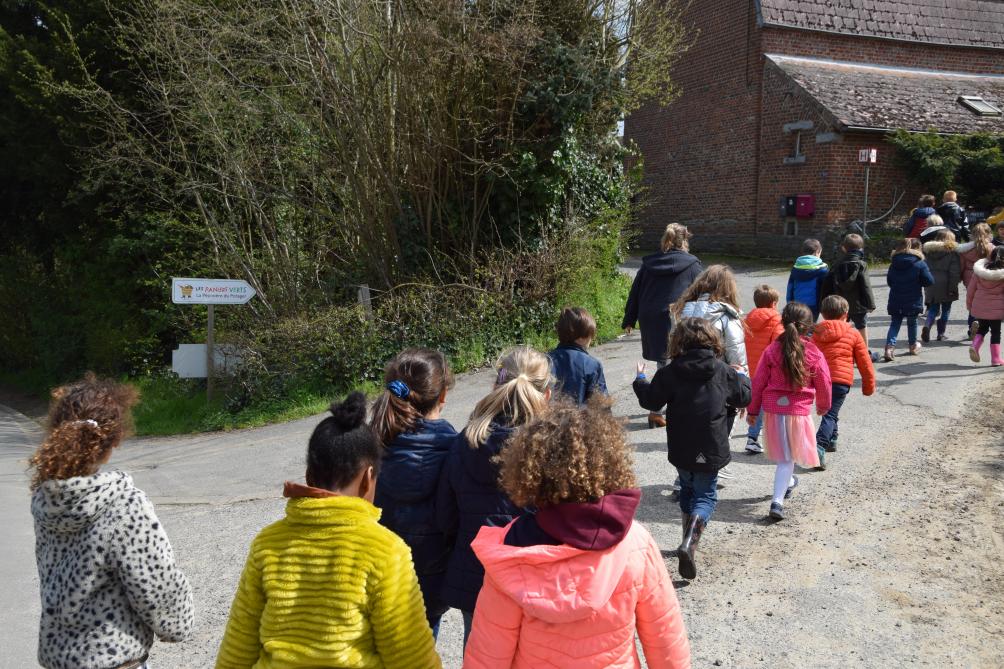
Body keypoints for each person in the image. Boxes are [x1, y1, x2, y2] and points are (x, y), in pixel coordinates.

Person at [216, 393, 441, 669]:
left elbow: (239, 644)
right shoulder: (385, 551)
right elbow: (411, 656)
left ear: (310, 476)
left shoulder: (267, 543)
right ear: (369, 480)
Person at [464, 398, 691, 669]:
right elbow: (665, 638)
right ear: (610, 465)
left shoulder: (511, 553)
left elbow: (487, 656)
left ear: (532, 472)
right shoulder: (635, 543)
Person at [30, 375, 193, 669]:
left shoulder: (48, 500)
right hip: (115, 661)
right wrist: (178, 621)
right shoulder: (123, 503)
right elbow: (154, 586)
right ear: (114, 438)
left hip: (61, 661)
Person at [436, 346, 551, 646]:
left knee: (478, 653)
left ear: (496, 386)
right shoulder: (550, 445)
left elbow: (445, 515)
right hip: (534, 572)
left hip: (475, 572)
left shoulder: (465, 440)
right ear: (547, 394)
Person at [632, 318, 751, 579]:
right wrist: (741, 374)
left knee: (687, 489)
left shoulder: (671, 371)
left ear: (678, 342)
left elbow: (651, 399)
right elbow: (743, 397)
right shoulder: (722, 370)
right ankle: (690, 544)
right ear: (713, 341)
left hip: (681, 446)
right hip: (711, 445)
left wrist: (640, 378)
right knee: (706, 495)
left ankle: (687, 541)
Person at [371, 348, 456, 637]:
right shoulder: (456, 449)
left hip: (379, 575)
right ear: (442, 396)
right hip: (433, 579)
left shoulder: (369, 447)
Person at [747, 302, 832, 521]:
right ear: (808, 326)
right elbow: (824, 381)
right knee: (788, 458)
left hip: (774, 412)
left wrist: (753, 410)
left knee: (785, 456)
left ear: (783, 323)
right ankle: (777, 502)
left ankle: (789, 482)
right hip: (799, 412)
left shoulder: (772, 350)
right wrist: (824, 406)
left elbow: (758, 383)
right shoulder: (813, 352)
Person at [622, 223, 703, 428]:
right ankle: (662, 409)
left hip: (651, 317)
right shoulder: (693, 264)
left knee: (664, 361)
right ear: (685, 240)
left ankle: (659, 408)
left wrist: (629, 319)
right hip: (677, 316)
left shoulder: (649, 263)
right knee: (681, 361)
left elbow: (636, 291)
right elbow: (701, 294)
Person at [674, 264, 748, 479]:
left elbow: (673, 348)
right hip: (718, 380)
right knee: (718, 429)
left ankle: (684, 475)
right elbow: (736, 354)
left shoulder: (682, 311)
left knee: (688, 429)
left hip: (685, 380)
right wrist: (743, 386)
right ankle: (707, 474)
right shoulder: (727, 315)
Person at [811, 296, 876, 470]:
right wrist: (868, 385)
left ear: (823, 314)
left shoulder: (816, 333)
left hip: (820, 379)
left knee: (831, 410)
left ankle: (833, 438)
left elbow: (807, 357)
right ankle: (820, 445)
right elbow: (864, 362)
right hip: (841, 381)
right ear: (846, 314)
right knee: (830, 413)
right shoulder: (853, 333)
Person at [821, 233, 878, 361]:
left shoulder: (836, 265)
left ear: (843, 248)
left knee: (841, 327)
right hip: (858, 304)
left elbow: (827, 285)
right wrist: (870, 304)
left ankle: (840, 353)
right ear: (861, 249)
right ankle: (864, 355)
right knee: (862, 326)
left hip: (840, 303)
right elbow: (866, 286)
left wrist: (824, 302)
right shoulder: (861, 264)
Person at [743, 284, 783, 454]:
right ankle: (757, 437)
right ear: (774, 303)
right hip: (767, 370)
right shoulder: (777, 320)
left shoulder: (746, 319)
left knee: (755, 401)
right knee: (769, 404)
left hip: (749, 368)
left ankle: (753, 437)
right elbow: (778, 346)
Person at [884, 238, 934, 361]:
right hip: (913, 298)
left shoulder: (893, 263)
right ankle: (912, 345)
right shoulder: (920, 263)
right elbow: (929, 281)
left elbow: (890, 281)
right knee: (912, 322)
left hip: (896, 298)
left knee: (895, 323)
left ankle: (889, 348)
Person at [548, 306, 607, 404]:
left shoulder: (544, 360)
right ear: (581, 337)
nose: (592, 339)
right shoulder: (592, 365)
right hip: (579, 418)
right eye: (590, 335)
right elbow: (601, 402)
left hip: (549, 418)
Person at [966, 246, 1004, 367]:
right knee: (996, 332)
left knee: (982, 328)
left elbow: (971, 290)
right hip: (997, 309)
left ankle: (975, 346)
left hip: (980, 306)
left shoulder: (979, 271)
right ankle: (996, 359)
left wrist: (969, 305)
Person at [956, 222, 995, 338]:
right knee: (985, 302)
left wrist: (960, 278)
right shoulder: (992, 248)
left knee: (972, 303)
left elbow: (961, 266)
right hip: (986, 278)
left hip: (970, 278)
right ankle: (980, 323)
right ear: (989, 234)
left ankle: (971, 326)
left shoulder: (965, 249)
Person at [921, 229, 961, 343]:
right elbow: (954, 272)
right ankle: (940, 333)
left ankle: (927, 325)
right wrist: (953, 287)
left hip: (931, 282)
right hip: (947, 283)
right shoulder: (952, 253)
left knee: (933, 308)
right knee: (946, 310)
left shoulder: (928, 251)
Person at [786, 238, 828, 320]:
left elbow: (790, 288)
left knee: (798, 326)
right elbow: (825, 290)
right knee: (810, 327)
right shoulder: (823, 270)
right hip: (814, 305)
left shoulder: (795, 268)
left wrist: (789, 303)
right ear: (818, 252)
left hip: (796, 304)